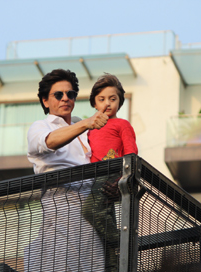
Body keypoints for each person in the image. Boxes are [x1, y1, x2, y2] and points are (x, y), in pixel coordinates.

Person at [25, 69, 109, 271]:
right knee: (61, 264)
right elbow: (48, 142)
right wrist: (85, 124)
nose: (65, 99)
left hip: (92, 209)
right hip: (61, 206)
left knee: (95, 265)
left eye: (70, 94)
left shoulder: (85, 129)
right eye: (58, 95)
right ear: (45, 101)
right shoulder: (41, 125)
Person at [84, 73, 138, 271]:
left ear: (120, 102)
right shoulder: (89, 128)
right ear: (94, 103)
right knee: (104, 222)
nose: (107, 103)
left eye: (112, 99)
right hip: (94, 177)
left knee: (89, 211)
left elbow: (131, 151)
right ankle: (114, 266)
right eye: (102, 99)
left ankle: (122, 242)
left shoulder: (122, 124)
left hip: (111, 175)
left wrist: (122, 178)